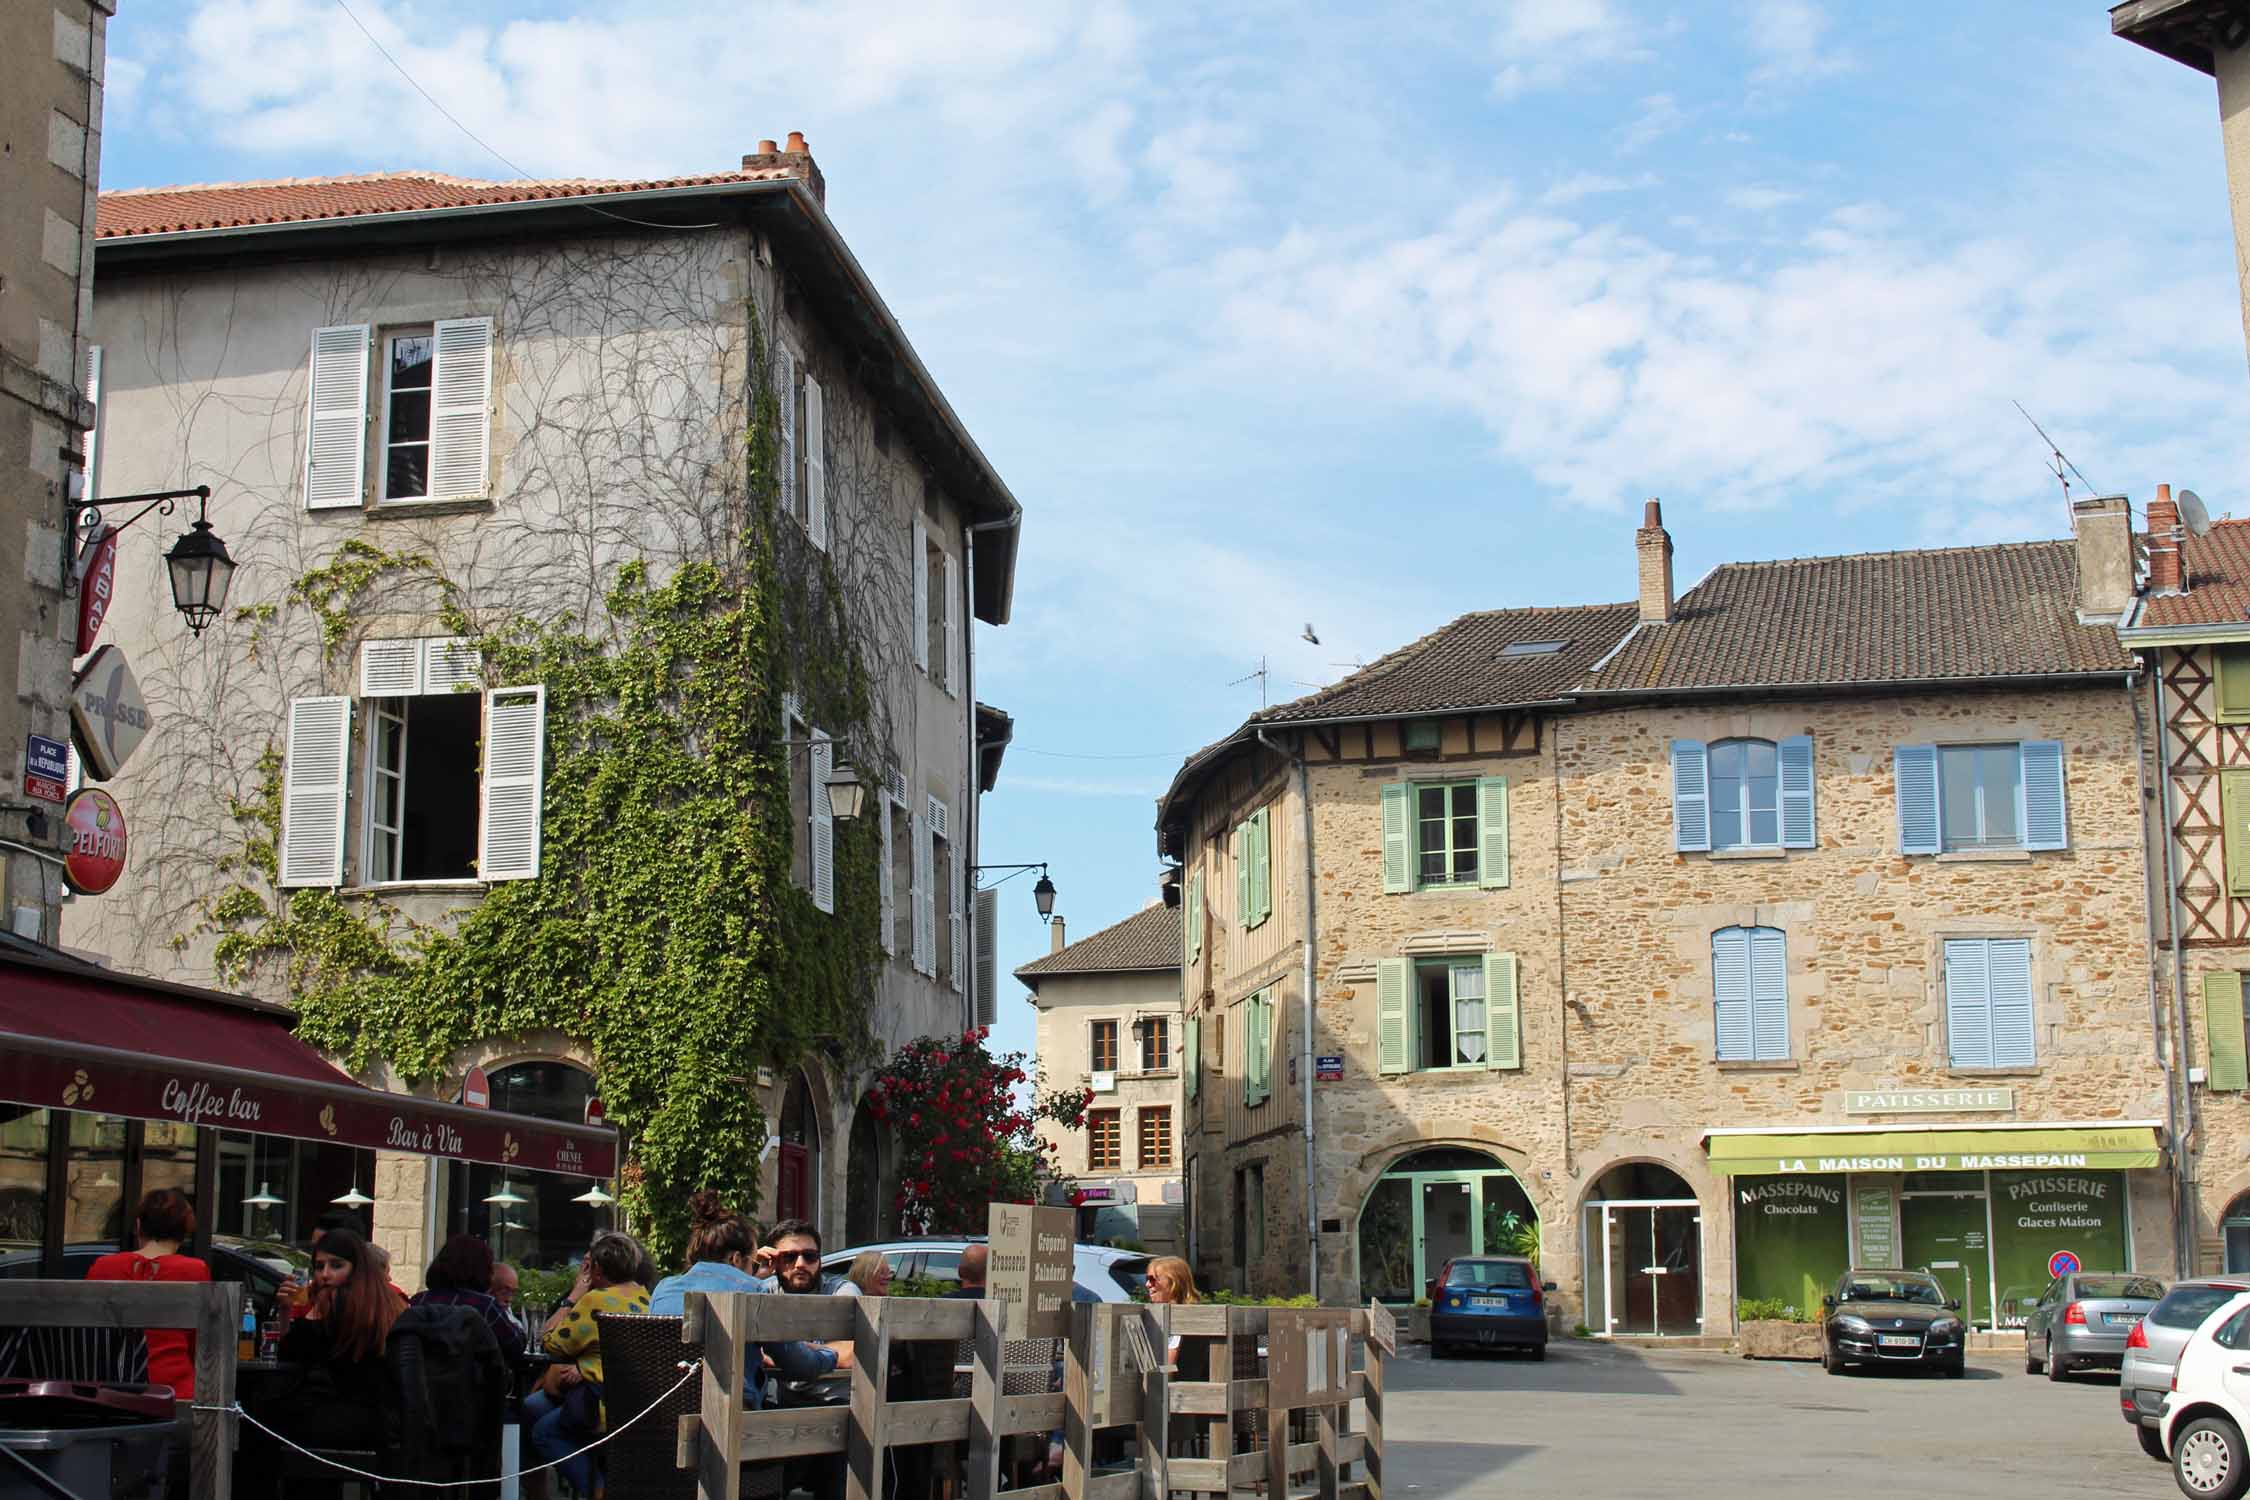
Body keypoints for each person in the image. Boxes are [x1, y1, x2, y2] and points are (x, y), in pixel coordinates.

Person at [244, 1229, 407, 1489]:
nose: (325, 1274)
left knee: (255, 1424)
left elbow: (292, 1352)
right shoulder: (385, 1302)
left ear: (356, 1268)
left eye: (336, 1265)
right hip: (382, 1419)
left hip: (349, 1416)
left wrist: (287, 1310)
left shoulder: (337, 1301)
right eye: (319, 1266)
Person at [647, 1194, 843, 1406]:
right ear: (736, 1259)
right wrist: (830, 1355)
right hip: (729, 1418)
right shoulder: (752, 1292)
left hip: (664, 1409)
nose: (754, 1269)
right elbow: (798, 1364)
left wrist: (751, 1276)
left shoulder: (664, 1289)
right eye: (753, 1263)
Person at [527, 1231, 651, 1497]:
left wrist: (575, 1295)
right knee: (534, 1405)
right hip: (634, 1404)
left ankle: (596, 1490)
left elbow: (550, 1341)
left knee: (542, 1431)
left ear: (596, 1269)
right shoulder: (645, 1297)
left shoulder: (594, 1300)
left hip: (600, 1405)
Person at [85, 1188, 210, 1399]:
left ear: (138, 1226)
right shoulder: (195, 1270)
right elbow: (203, 1344)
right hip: (174, 1390)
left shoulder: (103, 1266)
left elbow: (86, 1336)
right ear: (184, 1230)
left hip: (110, 1390)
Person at [411, 1234, 521, 1361]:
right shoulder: (484, 1305)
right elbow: (515, 1345)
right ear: (481, 1269)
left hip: (420, 1379)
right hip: (470, 1379)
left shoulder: (417, 1301)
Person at [488, 1261, 529, 1347]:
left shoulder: (506, 1309)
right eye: (504, 1291)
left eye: (513, 1292)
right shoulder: (487, 1310)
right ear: (490, 1288)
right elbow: (517, 1343)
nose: (510, 1299)